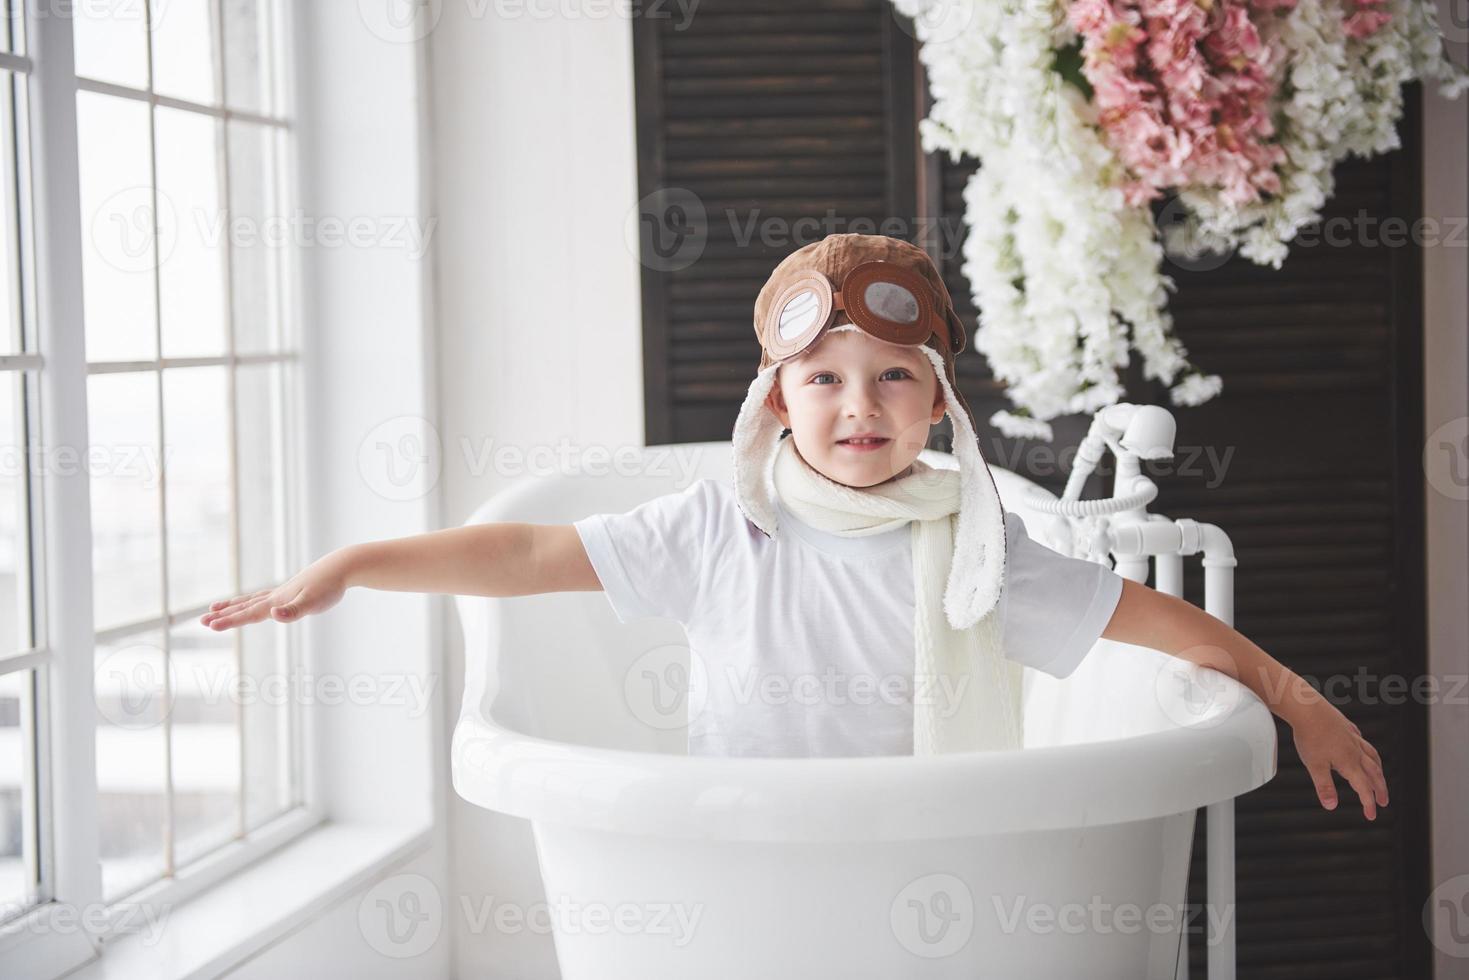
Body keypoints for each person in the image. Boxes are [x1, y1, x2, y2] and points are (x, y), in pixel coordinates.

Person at [200, 233, 1387, 821]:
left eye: (890, 378)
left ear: (936, 405)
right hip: (749, 852)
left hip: (940, 849)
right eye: (822, 378)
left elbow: (1154, 622)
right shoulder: (719, 528)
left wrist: (1296, 695)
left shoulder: (979, 549)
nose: (857, 405)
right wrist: (351, 563)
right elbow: (523, 551)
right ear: (774, 400)